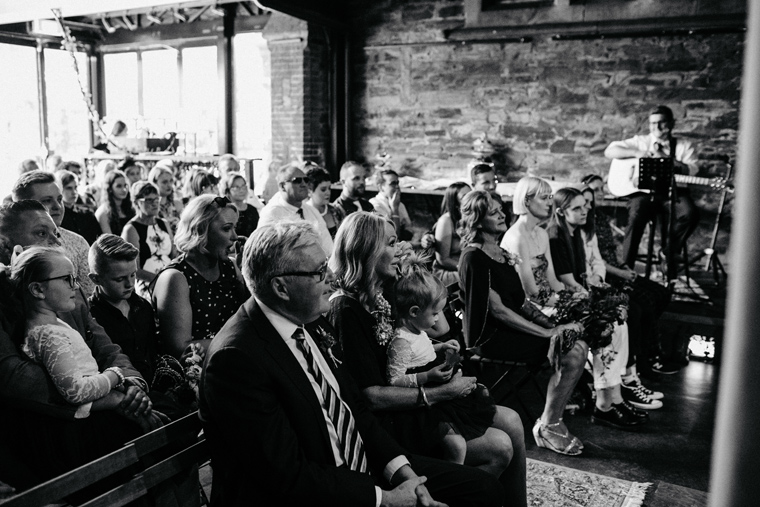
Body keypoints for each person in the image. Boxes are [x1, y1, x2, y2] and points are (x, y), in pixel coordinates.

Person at [199, 220, 504, 507]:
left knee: (483, 488)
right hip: (310, 490)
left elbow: (354, 408)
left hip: (355, 464)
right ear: (281, 287)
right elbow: (285, 474)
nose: (331, 276)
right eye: (319, 271)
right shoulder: (236, 358)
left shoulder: (309, 323)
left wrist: (404, 474)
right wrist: (385, 499)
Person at [329, 212, 527, 506]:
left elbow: (441, 327)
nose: (398, 250)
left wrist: (415, 275)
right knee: (499, 446)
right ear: (367, 249)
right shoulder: (346, 309)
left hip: (412, 400)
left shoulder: (382, 290)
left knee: (512, 420)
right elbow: (370, 396)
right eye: (391, 244)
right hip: (390, 421)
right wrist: (440, 392)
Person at [0, 201, 160, 482]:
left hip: (99, 395)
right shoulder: (9, 297)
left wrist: (131, 384)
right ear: (5, 243)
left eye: (55, 232)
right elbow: (16, 377)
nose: (53, 239)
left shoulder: (65, 287)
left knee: (164, 433)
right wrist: (107, 398)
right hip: (49, 423)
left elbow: (107, 348)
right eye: (41, 234)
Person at [457, 189, 590, 455]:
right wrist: (547, 332)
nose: (501, 214)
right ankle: (548, 426)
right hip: (490, 337)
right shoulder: (474, 257)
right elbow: (499, 312)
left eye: (500, 209)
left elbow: (520, 302)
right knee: (573, 352)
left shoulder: (500, 251)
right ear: (477, 219)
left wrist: (553, 323)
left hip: (510, 328)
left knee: (576, 341)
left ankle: (552, 420)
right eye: (492, 212)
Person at [546, 187, 651, 428]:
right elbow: (566, 281)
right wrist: (594, 299)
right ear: (561, 212)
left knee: (619, 320)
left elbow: (584, 274)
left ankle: (614, 396)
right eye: (577, 208)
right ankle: (604, 403)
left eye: (585, 206)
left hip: (576, 294)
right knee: (609, 325)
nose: (585, 211)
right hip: (561, 300)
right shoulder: (555, 236)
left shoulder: (575, 232)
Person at [388, 254, 498, 466]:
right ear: (414, 312)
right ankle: (454, 475)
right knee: (457, 445)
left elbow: (422, 350)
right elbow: (395, 379)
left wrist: (441, 346)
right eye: (435, 313)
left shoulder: (417, 330)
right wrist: (426, 375)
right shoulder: (401, 341)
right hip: (424, 406)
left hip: (437, 392)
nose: (438, 319)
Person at [580, 175, 676, 374]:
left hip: (617, 269)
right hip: (610, 275)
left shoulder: (601, 218)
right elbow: (596, 262)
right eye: (594, 191)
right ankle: (642, 359)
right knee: (644, 304)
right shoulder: (586, 224)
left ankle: (649, 347)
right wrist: (621, 274)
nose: (600, 194)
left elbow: (613, 250)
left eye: (601, 189)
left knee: (662, 293)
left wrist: (625, 266)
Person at [604, 105, 700, 275]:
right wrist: (637, 152)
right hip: (644, 194)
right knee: (636, 215)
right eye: (652, 123)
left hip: (673, 193)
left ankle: (668, 252)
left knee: (690, 213)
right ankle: (626, 270)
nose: (656, 127)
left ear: (671, 123)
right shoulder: (641, 141)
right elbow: (610, 151)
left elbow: (692, 170)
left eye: (661, 123)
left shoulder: (684, 146)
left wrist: (662, 158)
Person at [152, 195, 248, 359]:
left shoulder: (230, 266)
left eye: (234, 228)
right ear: (200, 231)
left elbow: (251, 319)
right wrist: (241, 340)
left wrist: (247, 275)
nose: (234, 236)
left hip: (232, 359)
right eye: (226, 228)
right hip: (196, 371)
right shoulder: (176, 278)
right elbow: (180, 348)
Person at [12, 170, 96, 298]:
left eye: (59, 199)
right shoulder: (12, 244)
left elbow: (88, 297)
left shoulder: (78, 242)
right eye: (47, 201)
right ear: (25, 206)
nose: (57, 206)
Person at [88, 234, 157, 382]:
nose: (130, 284)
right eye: (120, 279)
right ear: (96, 279)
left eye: (133, 275)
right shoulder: (90, 317)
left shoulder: (143, 307)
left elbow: (153, 353)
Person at [258, 164, 333, 256]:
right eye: (297, 181)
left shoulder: (311, 211)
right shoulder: (272, 213)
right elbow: (265, 250)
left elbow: (328, 246)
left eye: (306, 180)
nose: (304, 184)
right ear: (282, 186)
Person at [121, 181, 176, 299]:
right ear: (137, 202)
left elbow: (174, 256)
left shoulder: (163, 224)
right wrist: (160, 279)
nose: (155, 204)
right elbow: (133, 270)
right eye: (149, 200)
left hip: (170, 280)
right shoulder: (131, 229)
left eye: (157, 199)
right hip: (146, 285)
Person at [432, 182, 471, 286]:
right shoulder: (446, 221)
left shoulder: (472, 218)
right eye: (465, 196)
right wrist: (465, 268)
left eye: (471, 194)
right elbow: (443, 259)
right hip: (450, 272)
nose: (470, 198)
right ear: (456, 203)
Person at [56, 169, 101, 245]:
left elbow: (98, 239)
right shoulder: (57, 217)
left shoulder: (87, 214)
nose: (74, 192)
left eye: (75, 187)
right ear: (60, 189)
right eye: (69, 188)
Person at [370, 169, 414, 241]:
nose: (397, 187)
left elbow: (409, 230)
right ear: (381, 187)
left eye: (397, 183)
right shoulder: (374, 204)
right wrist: (395, 209)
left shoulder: (400, 204)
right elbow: (392, 236)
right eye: (393, 183)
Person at [306, 166, 345, 238]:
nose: (328, 193)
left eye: (329, 188)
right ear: (310, 191)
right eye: (323, 189)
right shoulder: (305, 213)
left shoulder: (337, 210)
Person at [95, 169, 135, 237]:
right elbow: (110, 242)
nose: (124, 190)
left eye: (125, 185)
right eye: (119, 186)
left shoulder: (131, 208)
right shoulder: (103, 213)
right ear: (110, 189)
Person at [219, 171, 259, 238]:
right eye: (236, 187)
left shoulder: (252, 209)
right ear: (228, 190)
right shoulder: (224, 211)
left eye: (243, 186)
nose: (241, 190)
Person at [148, 163, 184, 235]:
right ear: (154, 183)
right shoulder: (149, 206)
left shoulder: (177, 204)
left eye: (171, 181)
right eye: (164, 182)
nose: (169, 185)